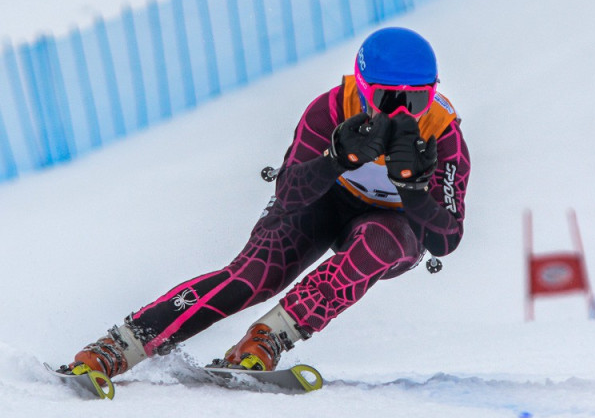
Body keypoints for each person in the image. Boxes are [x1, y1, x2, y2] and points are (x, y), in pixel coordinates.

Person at [64, 26, 471, 378]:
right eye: (385, 99)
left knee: (378, 240)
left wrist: (414, 192)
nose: (401, 114)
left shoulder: (442, 133)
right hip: (323, 203)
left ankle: (269, 338)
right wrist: (337, 159)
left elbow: (445, 241)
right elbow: (289, 197)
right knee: (254, 277)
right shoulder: (330, 109)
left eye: (415, 102)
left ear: (433, 95)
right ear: (361, 89)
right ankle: (119, 346)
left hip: (392, 226)